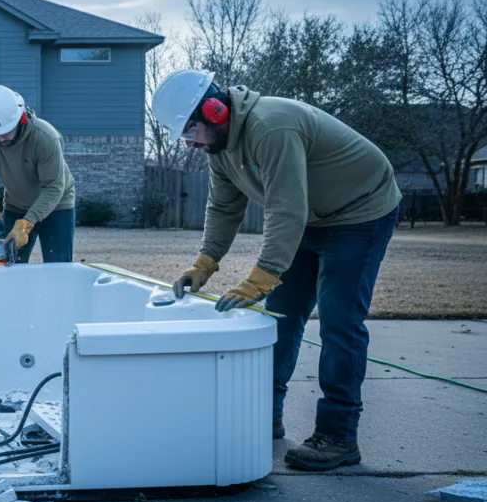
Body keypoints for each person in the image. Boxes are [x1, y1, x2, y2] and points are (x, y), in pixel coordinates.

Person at [153, 69, 401, 471]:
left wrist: (263, 275)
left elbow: (286, 207)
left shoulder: (271, 126)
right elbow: (223, 207)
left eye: (190, 130)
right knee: (280, 316)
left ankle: (338, 436)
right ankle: (263, 415)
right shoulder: (222, 149)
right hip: (312, 217)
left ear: (214, 111)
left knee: (339, 321)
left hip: (361, 212)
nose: (190, 142)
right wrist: (204, 264)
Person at [0, 85, 76, 263]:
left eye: (5, 132)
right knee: (6, 263)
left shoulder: (45, 138)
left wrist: (27, 224)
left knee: (58, 267)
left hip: (57, 206)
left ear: (21, 120)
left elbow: (53, 187)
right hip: (16, 206)